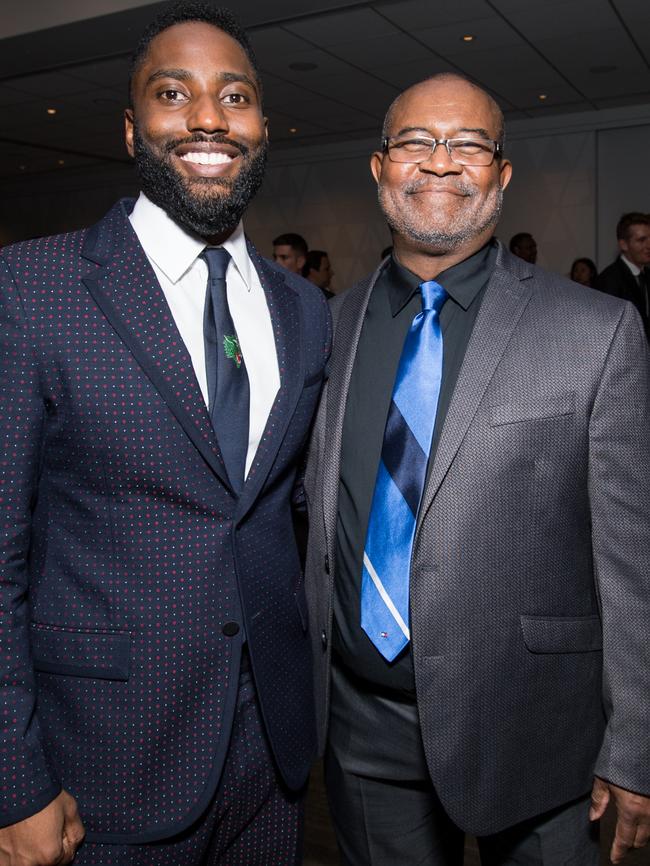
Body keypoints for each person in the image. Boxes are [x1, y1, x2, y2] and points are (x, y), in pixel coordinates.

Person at [0, 3, 330, 865]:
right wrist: (12, 778)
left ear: (264, 125)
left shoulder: (302, 309)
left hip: (273, 762)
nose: (210, 118)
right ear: (131, 127)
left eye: (236, 96)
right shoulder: (32, 287)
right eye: (174, 93)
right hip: (102, 766)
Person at [304, 72, 650, 866]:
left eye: (468, 145)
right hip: (362, 726)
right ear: (378, 166)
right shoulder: (327, 327)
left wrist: (636, 746)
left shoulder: (596, 331)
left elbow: (633, 563)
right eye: (416, 143)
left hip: (539, 728)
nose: (440, 163)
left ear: (501, 173)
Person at [595, 212, 650, 339]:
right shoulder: (609, 280)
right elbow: (606, 328)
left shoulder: (646, 275)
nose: (649, 245)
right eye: (642, 240)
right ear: (623, 245)